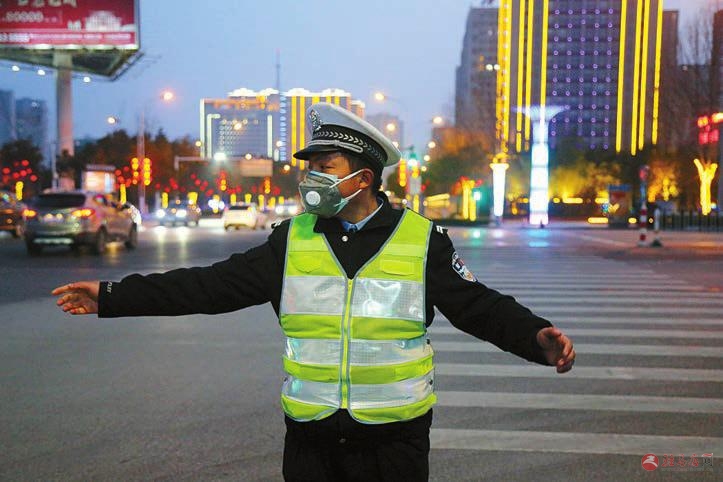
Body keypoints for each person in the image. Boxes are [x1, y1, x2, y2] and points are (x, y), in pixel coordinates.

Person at [52, 102, 575, 481]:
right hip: (311, 440)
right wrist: (112, 296)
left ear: (363, 178)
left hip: (394, 442)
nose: (311, 179)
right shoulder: (291, 240)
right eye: (310, 168)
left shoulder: (421, 240)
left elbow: (476, 305)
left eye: (325, 168)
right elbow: (208, 287)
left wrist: (535, 337)